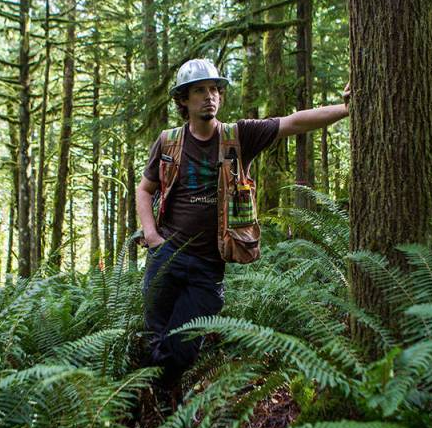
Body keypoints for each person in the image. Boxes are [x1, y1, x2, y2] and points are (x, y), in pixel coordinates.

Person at [136, 58, 350, 400]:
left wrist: (345, 108)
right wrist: (151, 236)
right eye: (199, 91)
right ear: (183, 100)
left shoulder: (239, 136)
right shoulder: (168, 142)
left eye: (214, 90)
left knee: (183, 346)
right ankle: (155, 410)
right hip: (166, 256)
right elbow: (144, 190)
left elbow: (292, 123)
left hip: (208, 266)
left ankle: (163, 401)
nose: (210, 97)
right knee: (153, 335)